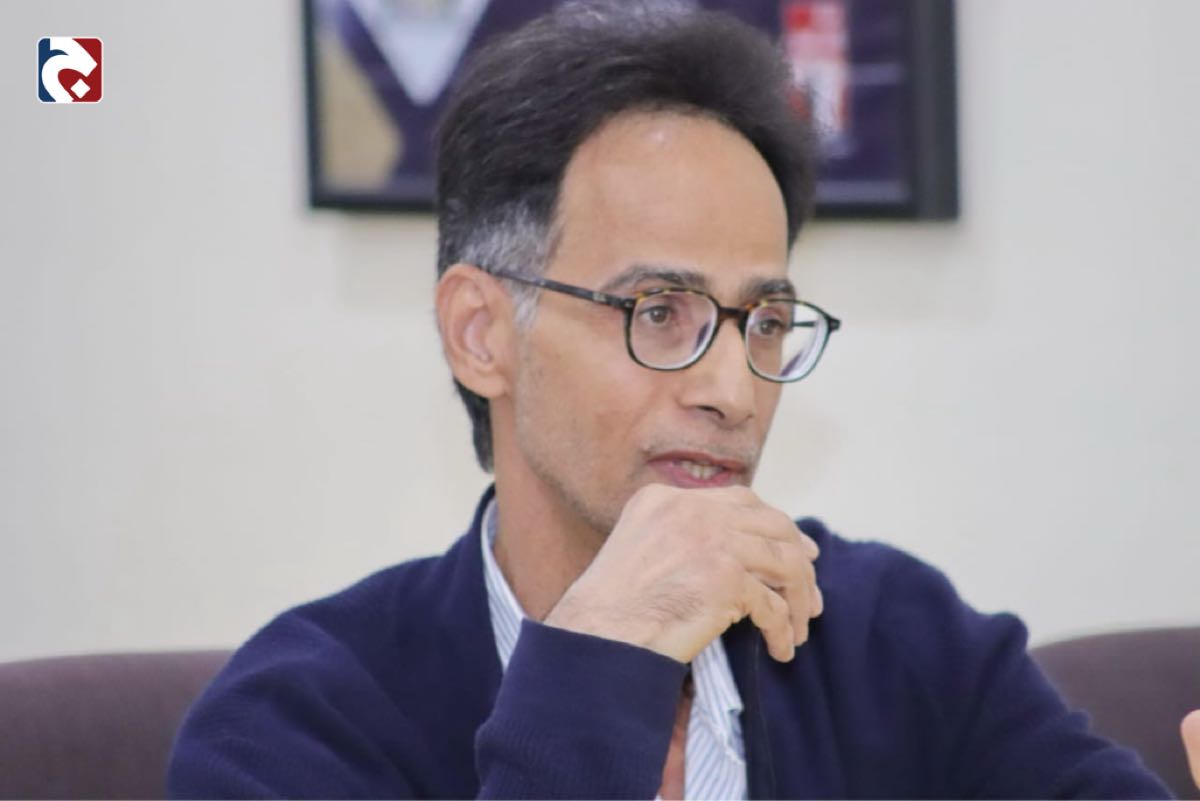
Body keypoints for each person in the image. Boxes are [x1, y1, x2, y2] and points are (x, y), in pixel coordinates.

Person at [168, 3, 1198, 798]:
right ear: (482, 333)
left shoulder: (893, 640)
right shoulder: (300, 719)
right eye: (659, 311)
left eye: (764, 321)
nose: (732, 391)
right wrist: (600, 657)